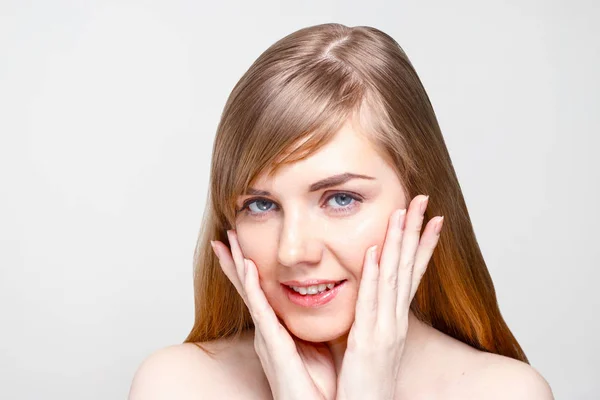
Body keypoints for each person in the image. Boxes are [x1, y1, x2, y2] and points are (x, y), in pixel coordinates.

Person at [129, 23, 553, 399]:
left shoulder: (506, 392)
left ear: (418, 199)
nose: (293, 251)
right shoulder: (177, 385)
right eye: (261, 205)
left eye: (340, 199)